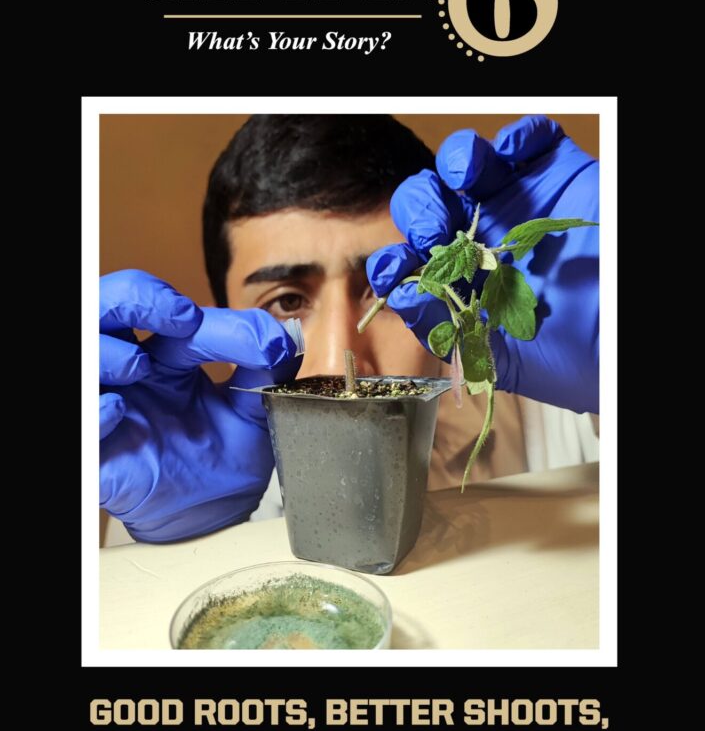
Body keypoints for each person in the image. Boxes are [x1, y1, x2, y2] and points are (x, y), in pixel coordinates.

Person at [100, 114, 599, 545]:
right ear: (223, 316)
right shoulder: (162, 466)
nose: (346, 366)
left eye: (387, 291)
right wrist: (183, 550)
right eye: (288, 302)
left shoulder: (572, 416)